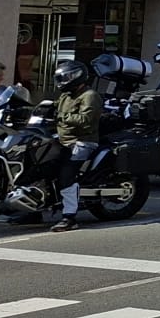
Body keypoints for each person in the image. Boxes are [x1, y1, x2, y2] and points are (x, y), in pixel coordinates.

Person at [47, 58, 102, 232]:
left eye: (67, 77)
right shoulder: (66, 95)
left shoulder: (90, 96)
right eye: (61, 78)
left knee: (67, 173)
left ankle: (69, 217)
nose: (62, 82)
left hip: (82, 141)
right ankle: (33, 210)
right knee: (40, 166)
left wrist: (60, 117)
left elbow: (86, 121)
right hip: (62, 140)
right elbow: (54, 108)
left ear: (78, 77)